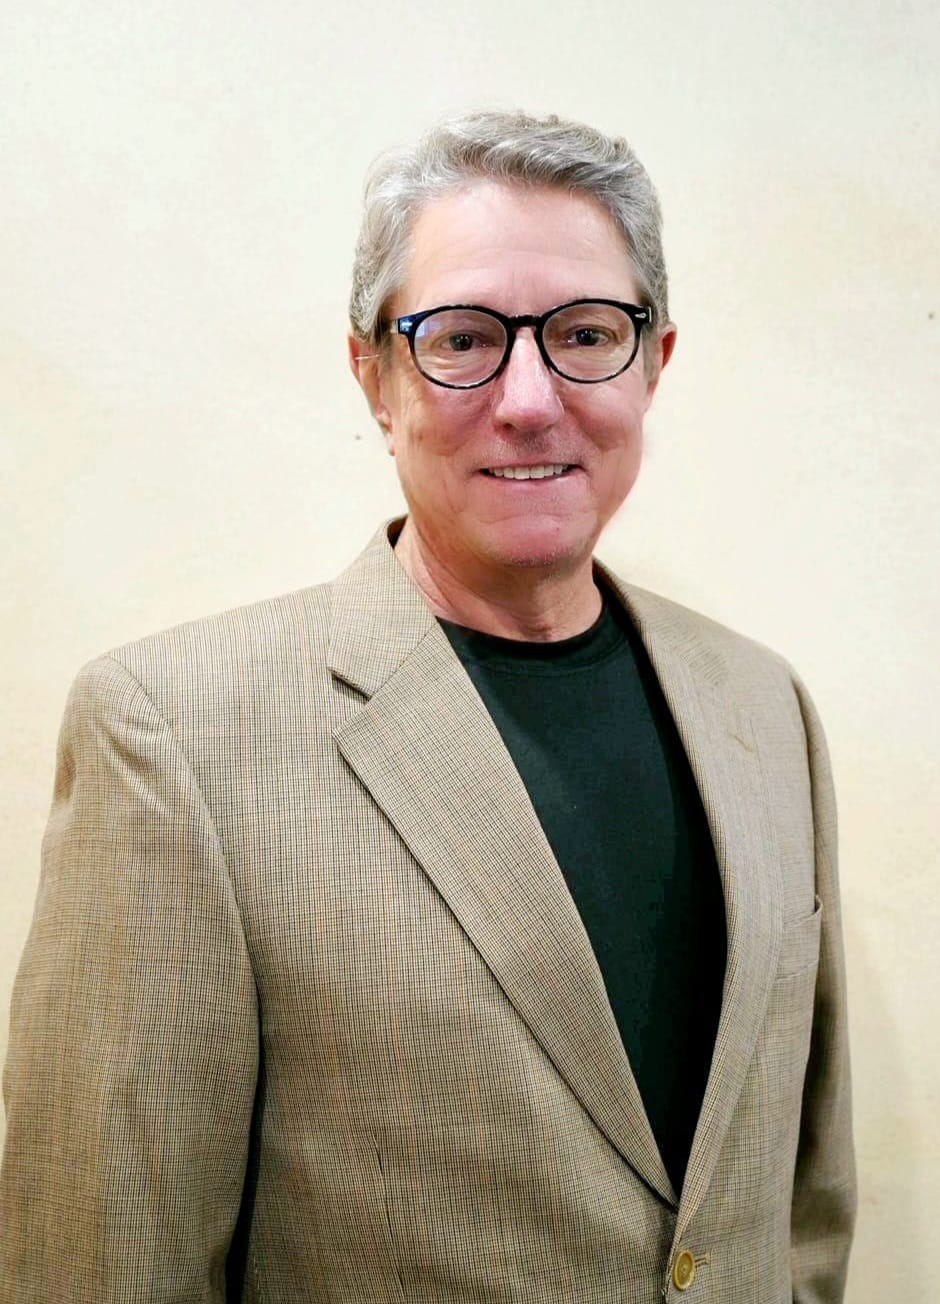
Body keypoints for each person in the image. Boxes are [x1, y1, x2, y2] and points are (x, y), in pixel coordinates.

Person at [0, 110, 855, 1302]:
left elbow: (802, 1206)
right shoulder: (171, 733)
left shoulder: (764, 707)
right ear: (375, 376)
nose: (528, 398)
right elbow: (102, 1262)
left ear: (656, 363)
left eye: (586, 335)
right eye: (461, 339)